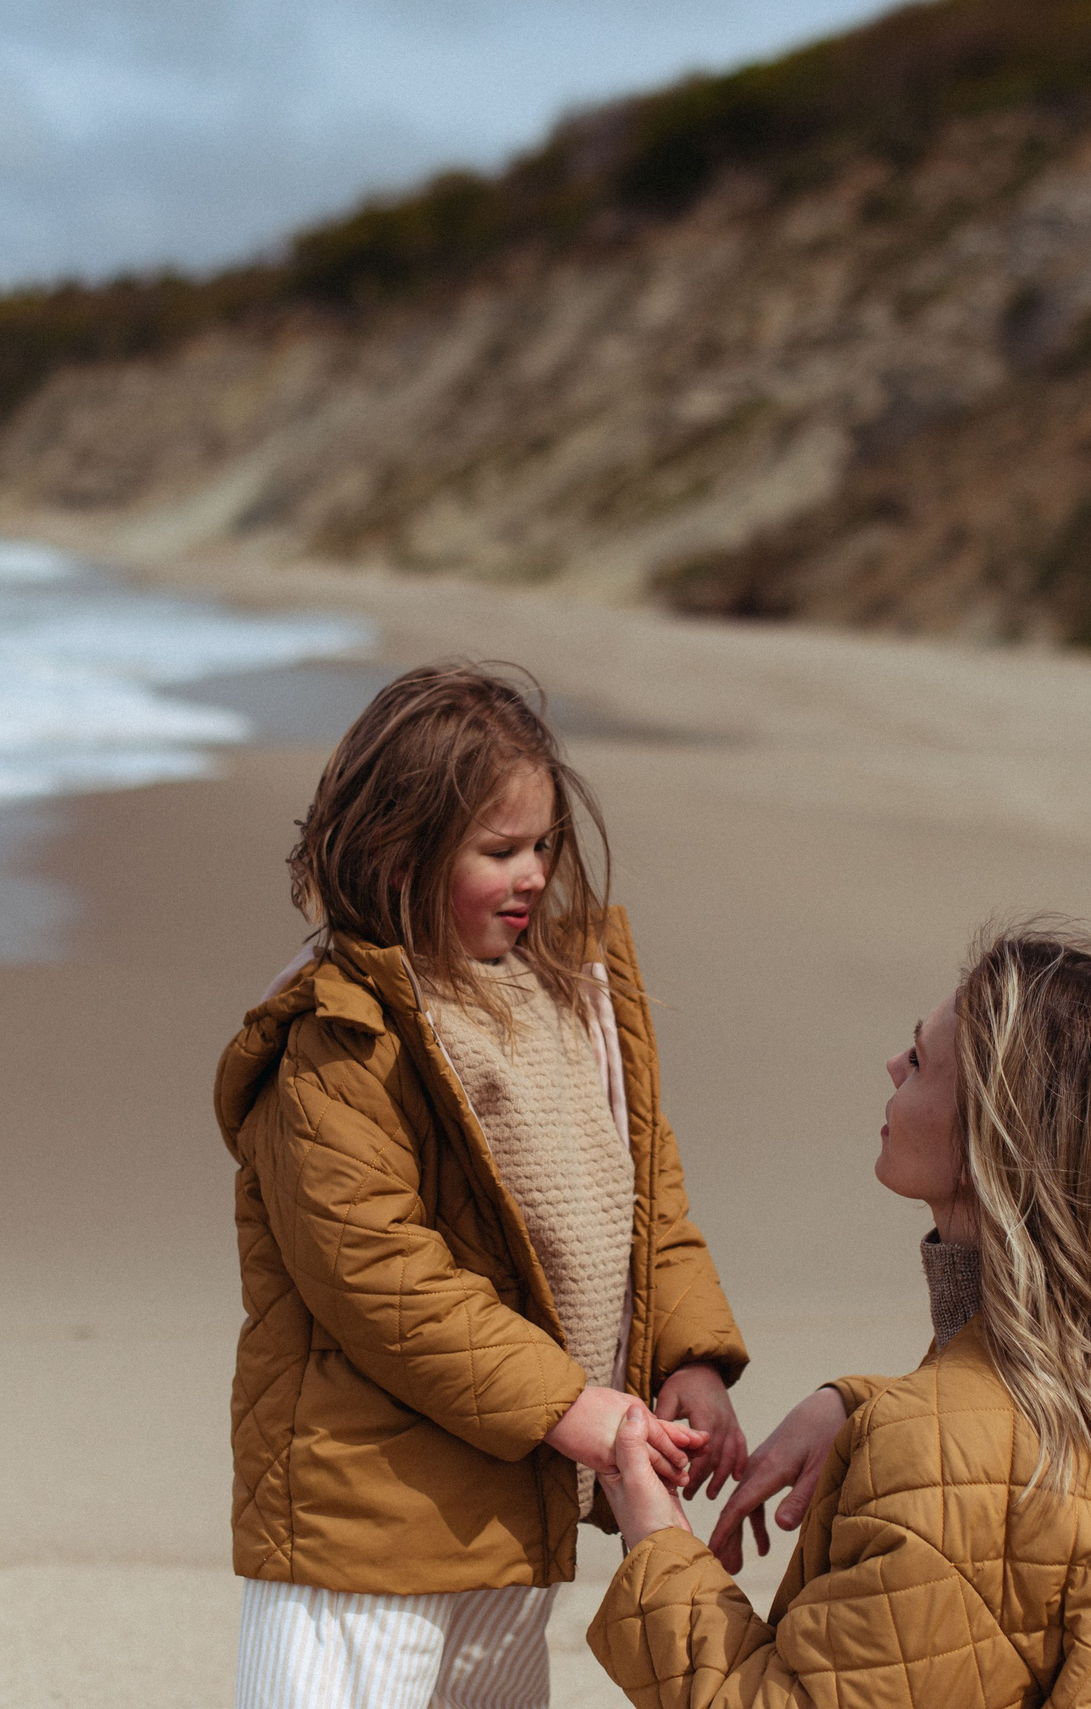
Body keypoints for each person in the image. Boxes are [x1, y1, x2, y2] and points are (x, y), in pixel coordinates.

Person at [215, 661, 752, 1708]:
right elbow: (377, 1273)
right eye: (498, 850)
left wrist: (688, 1355)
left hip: (516, 1497)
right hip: (365, 1516)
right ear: (395, 851)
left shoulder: (567, 998)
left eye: (544, 844)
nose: (532, 876)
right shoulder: (339, 1035)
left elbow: (645, 1196)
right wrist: (566, 1403)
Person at [587, 924, 1091, 1708]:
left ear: (985, 1142)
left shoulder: (938, 1444)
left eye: (918, 1060)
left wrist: (652, 1525)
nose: (892, 1064)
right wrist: (858, 1408)